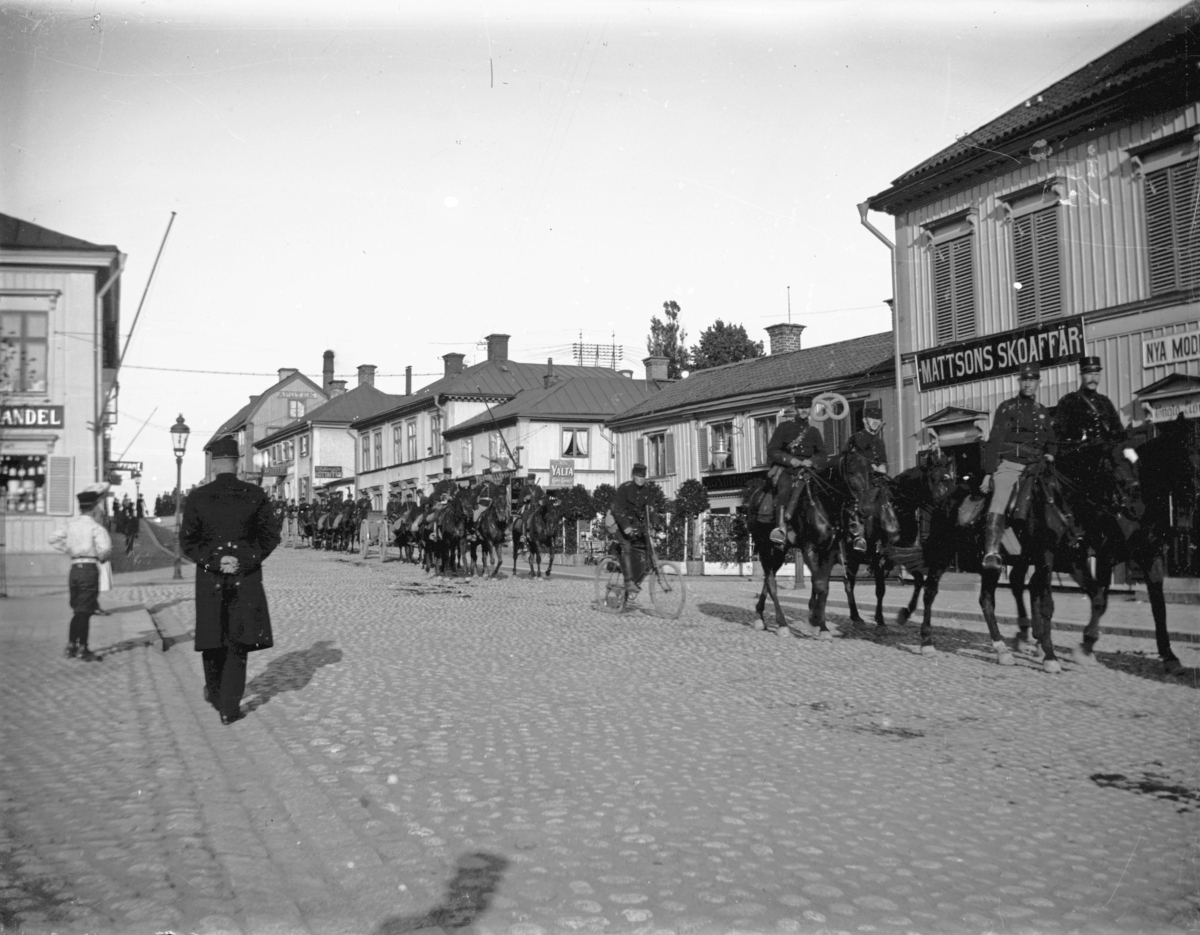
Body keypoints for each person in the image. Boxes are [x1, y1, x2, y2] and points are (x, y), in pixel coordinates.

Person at [181, 435, 280, 725]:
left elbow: (188, 543)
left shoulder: (198, 496)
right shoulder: (255, 494)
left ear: (213, 463)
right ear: (237, 463)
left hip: (210, 580)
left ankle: (214, 693)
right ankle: (229, 707)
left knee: (213, 639)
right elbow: (270, 537)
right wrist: (244, 560)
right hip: (245, 579)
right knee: (238, 642)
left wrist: (215, 560)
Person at [980, 362, 1058, 570]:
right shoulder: (1007, 407)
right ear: (1019, 381)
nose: (1028, 384)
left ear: (1038, 383)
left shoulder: (1042, 412)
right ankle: (992, 551)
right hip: (1011, 466)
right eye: (1025, 380)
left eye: (1032, 380)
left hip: (1037, 467)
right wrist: (989, 473)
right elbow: (995, 440)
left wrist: (1050, 453)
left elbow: (1051, 439)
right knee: (1000, 498)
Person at [48, 482, 113, 660]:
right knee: (85, 611)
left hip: (74, 569)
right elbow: (105, 549)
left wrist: (69, 549)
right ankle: (83, 648)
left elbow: (52, 538)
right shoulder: (96, 528)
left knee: (78, 609)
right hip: (89, 569)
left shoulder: (70, 525)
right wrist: (100, 557)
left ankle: (71, 645)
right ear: (93, 509)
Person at [766, 394, 828, 546]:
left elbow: (823, 454)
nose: (804, 411)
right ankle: (780, 528)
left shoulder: (814, 431)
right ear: (796, 408)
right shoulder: (784, 428)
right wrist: (790, 460)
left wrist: (811, 461)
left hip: (807, 471)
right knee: (785, 489)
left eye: (807, 408)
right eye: (801, 408)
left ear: (811, 409)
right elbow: (772, 450)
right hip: (787, 469)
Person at [841, 400, 889, 552]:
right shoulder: (856, 438)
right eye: (872, 419)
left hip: (877, 480)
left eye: (878, 419)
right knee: (862, 503)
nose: (875, 422)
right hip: (858, 481)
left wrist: (883, 467)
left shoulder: (880, 442)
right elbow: (848, 460)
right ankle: (859, 535)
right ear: (864, 420)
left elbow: (884, 461)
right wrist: (871, 467)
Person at [611, 462, 656, 596]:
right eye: (638, 476)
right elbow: (617, 509)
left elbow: (652, 510)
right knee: (627, 548)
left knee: (648, 556)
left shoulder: (647, 491)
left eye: (643, 476)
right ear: (633, 476)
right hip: (621, 526)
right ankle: (628, 581)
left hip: (638, 527)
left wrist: (653, 525)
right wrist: (625, 527)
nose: (641, 479)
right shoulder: (624, 489)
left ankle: (635, 581)